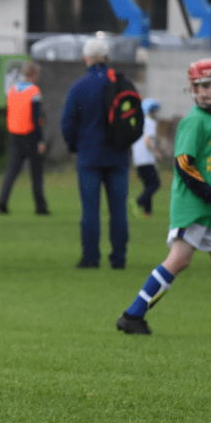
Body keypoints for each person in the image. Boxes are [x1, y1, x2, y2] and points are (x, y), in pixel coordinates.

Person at [116, 59, 211, 340]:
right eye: (204, 86)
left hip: (210, 208)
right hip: (193, 205)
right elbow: (184, 164)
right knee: (178, 260)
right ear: (193, 90)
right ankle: (132, 314)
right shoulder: (195, 120)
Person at [60, 37, 130, 270]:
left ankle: (91, 257)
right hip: (118, 155)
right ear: (107, 58)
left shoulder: (79, 87)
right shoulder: (122, 83)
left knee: (90, 209)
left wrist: (75, 145)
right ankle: (118, 258)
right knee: (118, 210)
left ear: (86, 58)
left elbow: (67, 122)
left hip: (89, 154)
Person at [0, 61, 50, 216]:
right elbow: (35, 118)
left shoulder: (12, 90)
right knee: (36, 173)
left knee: (11, 171)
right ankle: (40, 207)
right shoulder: (34, 92)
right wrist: (40, 140)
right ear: (34, 75)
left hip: (14, 135)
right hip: (30, 135)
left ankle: (1, 204)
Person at [130, 99, 163, 219]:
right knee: (155, 184)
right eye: (154, 110)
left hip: (138, 160)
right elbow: (148, 140)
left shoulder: (137, 122)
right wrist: (156, 153)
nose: (155, 113)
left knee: (147, 185)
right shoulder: (149, 122)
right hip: (147, 159)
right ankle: (138, 201)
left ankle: (147, 212)